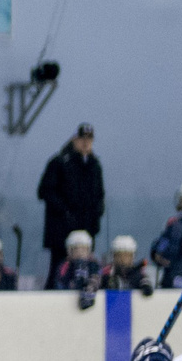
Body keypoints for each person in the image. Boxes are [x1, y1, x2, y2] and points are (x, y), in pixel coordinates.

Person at [36, 123, 105, 288]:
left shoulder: (94, 165)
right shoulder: (60, 162)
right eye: (82, 139)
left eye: (89, 139)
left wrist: (97, 214)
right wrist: (65, 212)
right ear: (74, 140)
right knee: (59, 271)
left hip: (86, 231)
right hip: (62, 233)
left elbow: (99, 194)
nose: (85, 143)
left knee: (87, 271)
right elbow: (45, 191)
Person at [53, 228, 104, 307]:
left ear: (89, 251)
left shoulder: (94, 265)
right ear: (70, 251)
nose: (80, 254)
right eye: (76, 250)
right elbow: (59, 284)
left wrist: (89, 286)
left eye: (83, 249)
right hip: (67, 304)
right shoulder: (65, 266)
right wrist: (73, 284)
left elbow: (99, 280)